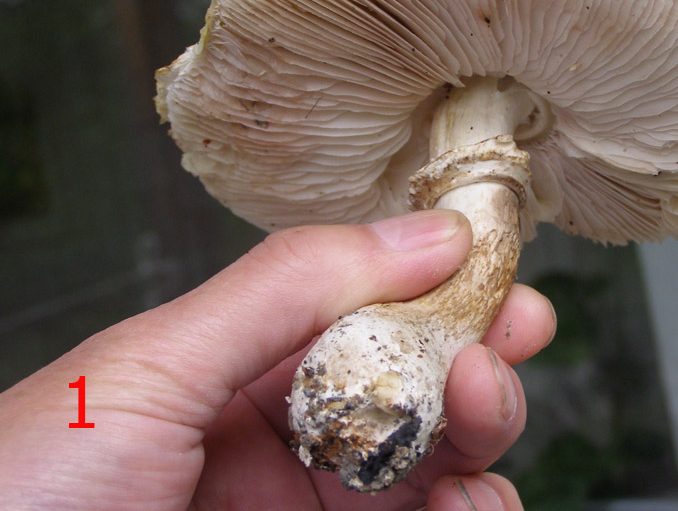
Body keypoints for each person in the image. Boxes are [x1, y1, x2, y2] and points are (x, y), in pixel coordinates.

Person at [0, 210, 556, 510]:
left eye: (81, 402)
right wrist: (83, 409)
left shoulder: (84, 401)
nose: (81, 399)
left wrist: (82, 408)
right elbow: (84, 405)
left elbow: (82, 403)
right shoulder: (87, 404)